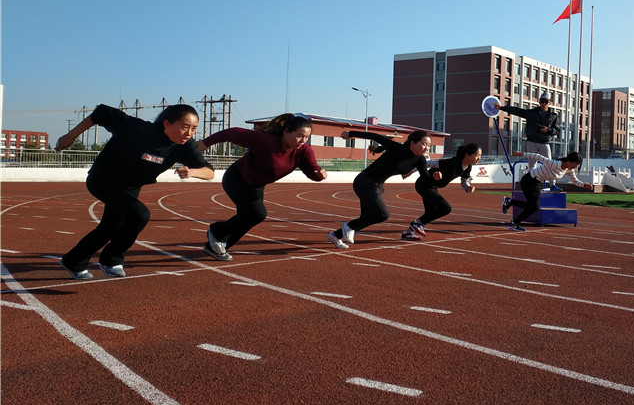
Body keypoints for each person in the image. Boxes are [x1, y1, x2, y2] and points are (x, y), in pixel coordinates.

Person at [55, 104, 214, 279]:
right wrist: (70, 136)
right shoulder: (136, 128)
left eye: (194, 128)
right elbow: (101, 112)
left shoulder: (185, 146)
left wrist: (192, 172)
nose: (189, 133)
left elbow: (209, 172)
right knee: (139, 215)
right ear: (167, 124)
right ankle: (111, 259)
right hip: (103, 180)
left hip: (131, 187)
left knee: (109, 228)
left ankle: (74, 261)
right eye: (184, 127)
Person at [198, 114, 327, 261]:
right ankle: (217, 231)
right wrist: (204, 144)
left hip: (257, 186)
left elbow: (312, 170)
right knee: (257, 214)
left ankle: (216, 247)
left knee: (249, 218)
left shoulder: (304, 151)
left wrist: (319, 174)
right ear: (286, 132)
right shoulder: (265, 141)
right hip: (237, 178)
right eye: (299, 136)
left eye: (307, 137)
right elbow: (231, 133)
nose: (303, 141)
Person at [328, 129, 432, 249]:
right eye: (424, 144)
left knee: (367, 217)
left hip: (377, 186)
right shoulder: (398, 148)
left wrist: (436, 177)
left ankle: (335, 235)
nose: (427, 148)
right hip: (364, 182)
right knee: (382, 214)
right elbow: (375, 136)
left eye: (429, 145)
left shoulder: (420, 160)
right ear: (412, 143)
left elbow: (426, 178)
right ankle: (348, 226)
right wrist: (350, 134)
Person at [400, 143, 482, 241]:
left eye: (480, 156)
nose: (479, 158)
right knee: (445, 208)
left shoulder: (468, 167)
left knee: (430, 213)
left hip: (432, 186)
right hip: (424, 184)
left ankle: (408, 232)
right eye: (477, 155)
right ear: (467, 155)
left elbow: (464, 181)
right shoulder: (452, 163)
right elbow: (427, 163)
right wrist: (409, 172)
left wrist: (467, 187)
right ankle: (417, 224)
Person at [501, 150, 594, 231]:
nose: (576, 167)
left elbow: (575, 181)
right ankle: (513, 220)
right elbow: (538, 156)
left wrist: (584, 185)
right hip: (529, 180)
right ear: (570, 160)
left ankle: (510, 203)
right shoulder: (556, 164)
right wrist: (520, 154)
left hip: (537, 182)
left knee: (533, 206)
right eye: (576, 164)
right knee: (534, 206)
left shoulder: (569, 170)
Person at [493, 93, 561, 190]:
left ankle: (552, 185)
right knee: (531, 165)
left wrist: (548, 129)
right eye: (541, 101)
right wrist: (502, 108)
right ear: (539, 102)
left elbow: (557, 131)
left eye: (545, 101)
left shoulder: (553, 115)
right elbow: (517, 111)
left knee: (549, 164)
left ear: (549, 103)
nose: (543, 103)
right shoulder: (532, 112)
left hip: (544, 143)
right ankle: (531, 185)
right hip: (532, 141)